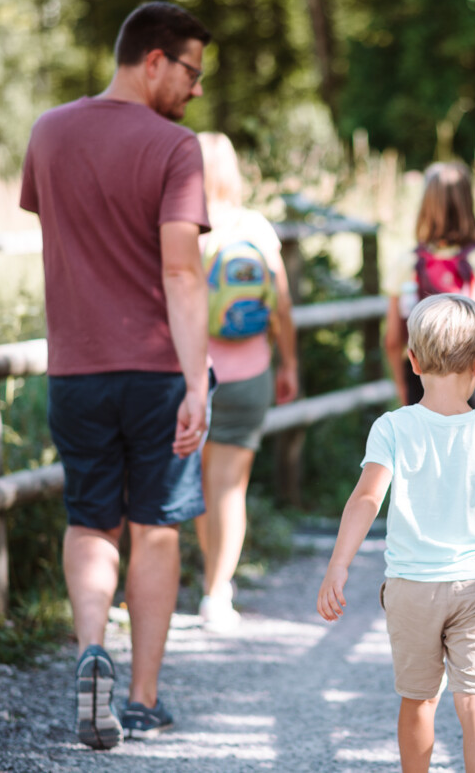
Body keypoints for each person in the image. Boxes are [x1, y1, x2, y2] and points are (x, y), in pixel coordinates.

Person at [19, 1, 213, 748]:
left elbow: (64, 234)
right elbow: (180, 270)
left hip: (74, 367)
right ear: (154, 59)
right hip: (157, 369)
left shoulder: (48, 132)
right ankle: (139, 697)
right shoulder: (175, 148)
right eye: (191, 71)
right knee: (156, 528)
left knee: (89, 517)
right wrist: (197, 380)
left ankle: (90, 648)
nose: (196, 89)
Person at [318, 293, 475, 773]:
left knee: (418, 700)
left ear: (412, 360)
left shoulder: (391, 427)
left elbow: (367, 499)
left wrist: (339, 565)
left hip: (411, 588)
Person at [194, 131, 298, 631]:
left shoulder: (182, 226)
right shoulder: (255, 225)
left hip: (192, 377)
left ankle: (211, 578)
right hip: (251, 372)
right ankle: (219, 592)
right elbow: (281, 304)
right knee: (229, 489)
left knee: (198, 485)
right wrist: (289, 365)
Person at [383, 162, 475, 414]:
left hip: (419, 376)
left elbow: (392, 339)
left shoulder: (406, 264)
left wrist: (401, 385)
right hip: (474, 378)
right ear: (468, 205)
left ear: (425, 207)